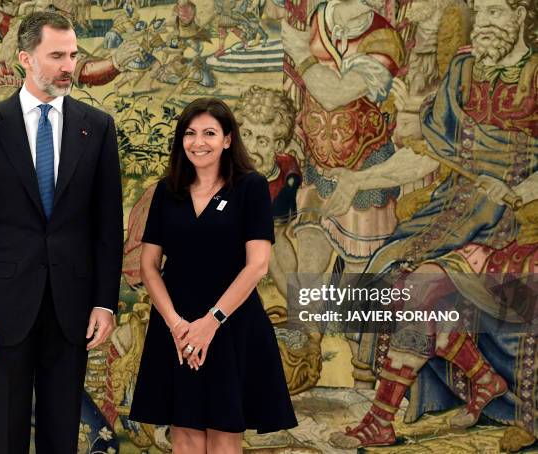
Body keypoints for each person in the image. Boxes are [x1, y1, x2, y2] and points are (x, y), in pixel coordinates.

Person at [328, 0, 537, 447]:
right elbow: (429, 153)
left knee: (415, 288)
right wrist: (361, 178)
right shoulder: (463, 70)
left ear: (521, 16)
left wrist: (521, 191)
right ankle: (479, 380)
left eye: (496, 12)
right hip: (454, 213)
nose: (484, 24)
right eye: (480, 14)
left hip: (515, 223)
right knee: (391, 274)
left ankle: (383, 419)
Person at [0, 12, 123, 453]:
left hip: (72, 310)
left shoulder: (97, 127)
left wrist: (105, 302)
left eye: (73, 55)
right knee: (3, 436)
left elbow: (106, 226)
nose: (69, 66)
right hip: (3, 312)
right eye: (57, 56)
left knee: (60, 435)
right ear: (26, 58)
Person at [129, 98, 297, 453]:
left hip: (232, 324)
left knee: (223, 435)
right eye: (190, 133)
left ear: (227, 139)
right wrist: (177, 325)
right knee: (185, 434)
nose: (198, 142)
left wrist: (211, 321)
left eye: (209, 133)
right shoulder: (166, 191)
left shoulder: (250, 187)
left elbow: (258, 265)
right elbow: (148, 266)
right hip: (176, 326)